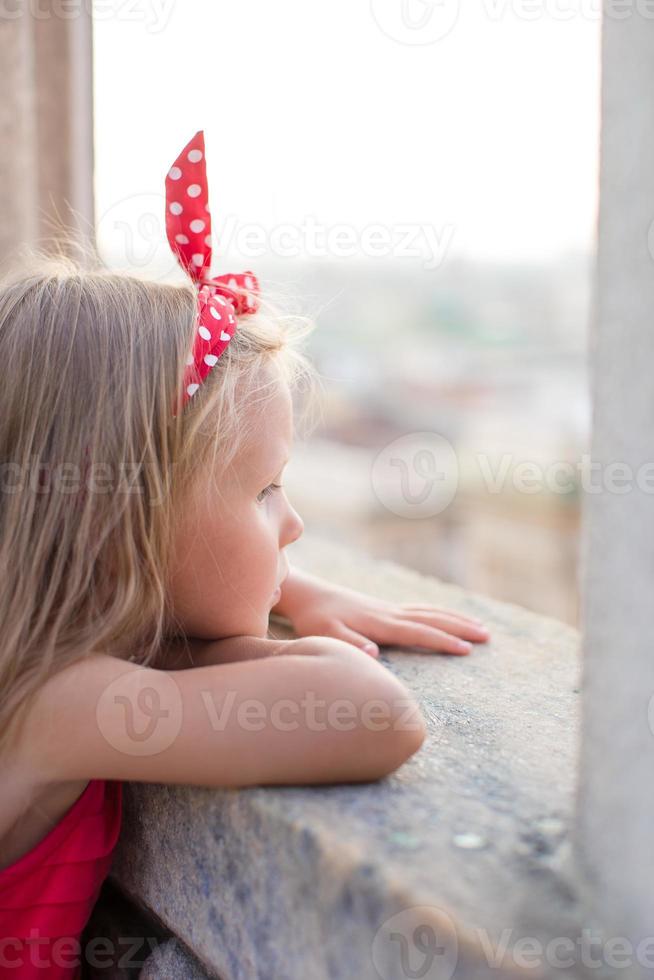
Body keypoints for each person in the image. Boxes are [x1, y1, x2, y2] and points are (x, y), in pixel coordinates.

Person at [0, 131, 490, 978]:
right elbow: (372, 711)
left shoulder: (43, 660)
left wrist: (288, 589)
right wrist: (243, 633)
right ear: (121, 525)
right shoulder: (55, 703)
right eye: (266, 491)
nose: (293, 524)